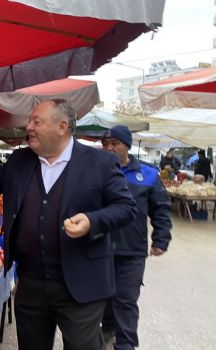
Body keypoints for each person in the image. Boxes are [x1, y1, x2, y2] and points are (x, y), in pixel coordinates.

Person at [0, 99, 137, 350]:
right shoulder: (21, 160)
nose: (28, 126)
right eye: (30, 120)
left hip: (80, 284)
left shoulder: (99, 163)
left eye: (36, 121)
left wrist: (92, 221)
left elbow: (126, 207)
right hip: (31, 282)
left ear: (62, 126)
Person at [101, 125, 172, 350]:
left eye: (115, 144)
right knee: (102, 298)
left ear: (127, 146)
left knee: (125, 300)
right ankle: (107, 329)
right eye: (106, 144)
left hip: (131, 251)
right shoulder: (97, 172)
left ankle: (126, 344)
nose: (109, 148)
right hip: (99, 249)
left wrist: (161, 238)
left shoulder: (149, 174)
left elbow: (160, 208)